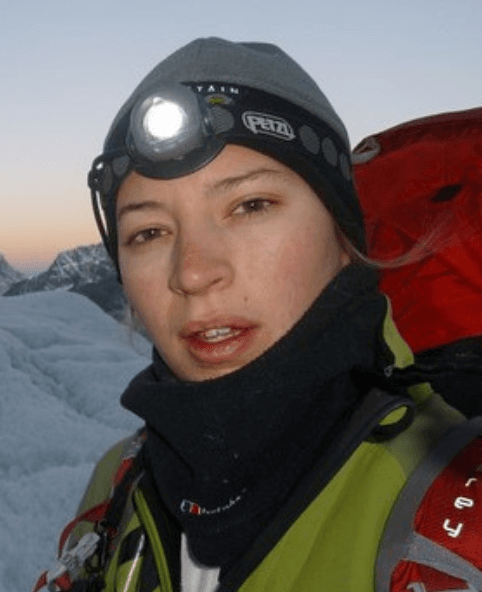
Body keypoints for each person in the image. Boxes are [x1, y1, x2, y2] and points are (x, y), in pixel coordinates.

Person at [34, 37, 480, 592]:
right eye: (148, 232)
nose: (193, 273)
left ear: (343, 238)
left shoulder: (458, 514)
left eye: (250, 206)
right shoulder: (116, 485)